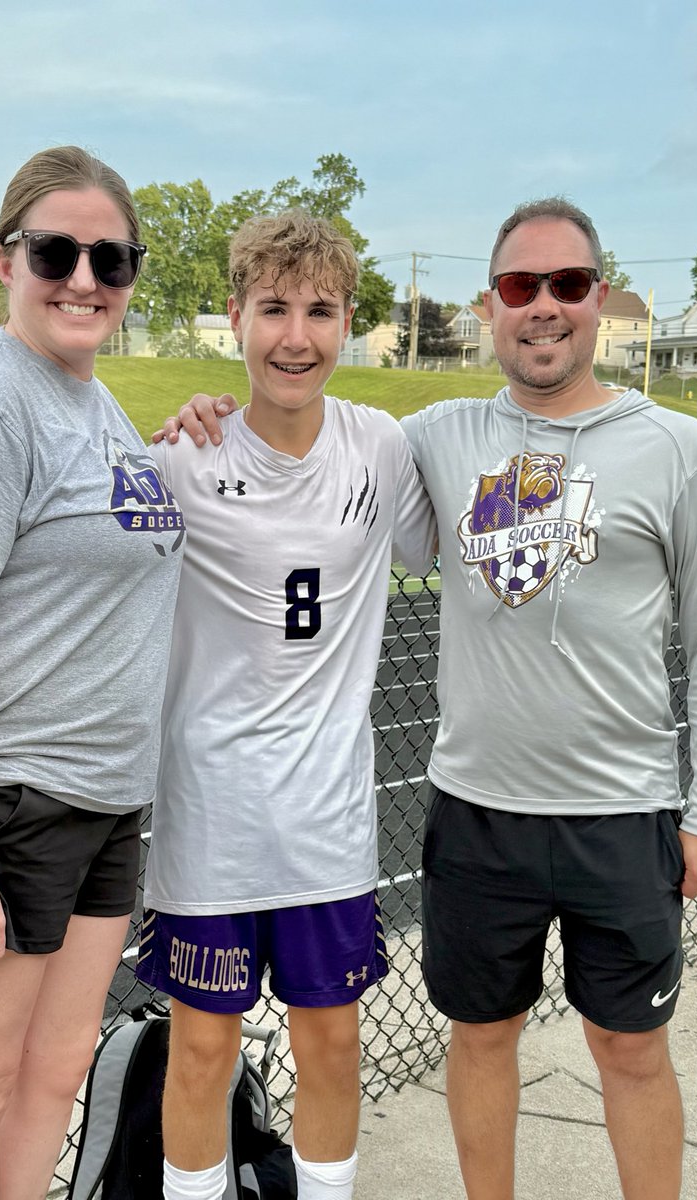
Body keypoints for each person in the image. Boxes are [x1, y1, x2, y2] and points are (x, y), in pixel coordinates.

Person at [163, 197, 697, 1200]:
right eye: (516, 287)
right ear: (488, 304)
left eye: (566, 285)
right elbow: (287, 428)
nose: (540, 307)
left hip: (619, 809)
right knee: (478, 1037)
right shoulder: (436, 435)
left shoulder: (673, 449)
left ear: (596, 297)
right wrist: (203, 412)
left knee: (630, 1051)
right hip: (472, 808)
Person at [0, 146, 185, 1200]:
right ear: (4, 259)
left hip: (104, 797)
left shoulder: (92, 404)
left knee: (55, 1076)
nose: (84, 278)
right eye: (57, 251)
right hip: (7, 800)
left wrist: (179, 439)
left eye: (112, 259)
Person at [136, 209, 436, 1200]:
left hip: (328, 822)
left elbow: (461, 543)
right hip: (211, 818)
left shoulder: (379, 447)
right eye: (272, 309)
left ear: (347, 320)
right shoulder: (181, 459)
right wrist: (165, 424)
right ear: (234, 317)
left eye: (319, 310)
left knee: (332, 1047)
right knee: (199, 1053)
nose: (295, 335)